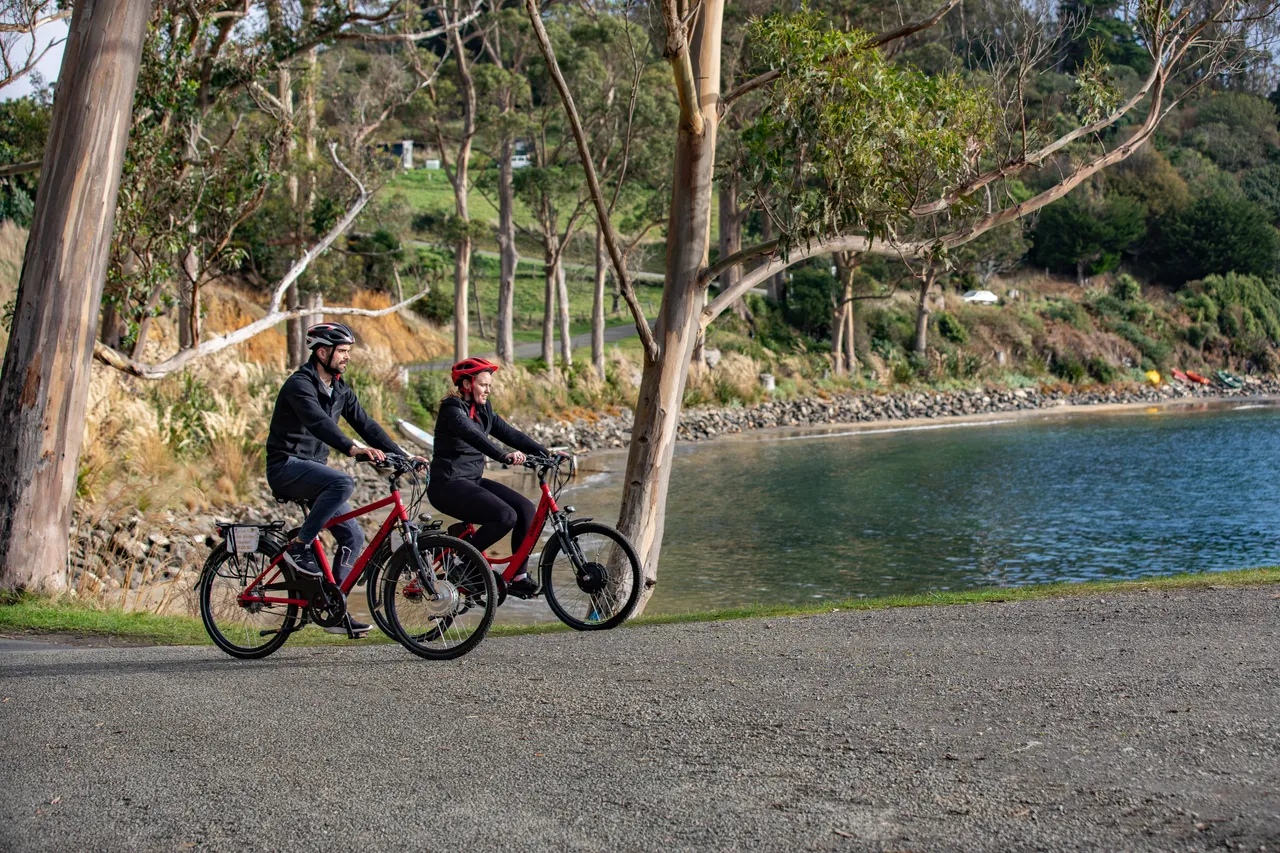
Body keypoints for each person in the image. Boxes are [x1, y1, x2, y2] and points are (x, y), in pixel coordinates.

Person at [265, 322, 424, 635]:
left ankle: (333, 609)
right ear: (322, 352)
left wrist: (404, 456)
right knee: (342, 482)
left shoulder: (339, 388)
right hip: (286, 466)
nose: (347, 357)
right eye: (342, 351)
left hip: (312, 471)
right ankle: (300, 546)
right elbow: (319, 423)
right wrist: (352, 448)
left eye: (348, 351)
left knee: (353, 536)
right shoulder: (300, 385)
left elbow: (367, 425)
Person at [427, 357, 556, 598]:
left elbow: (510, 434)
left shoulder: (483, 410)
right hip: (447, 486)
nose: (488, 389)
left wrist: (547, 454)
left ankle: (518, 576)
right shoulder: (452, 411)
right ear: (467, 384)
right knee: (505, 516)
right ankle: (461, 562)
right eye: (483, 385)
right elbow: (473, 436)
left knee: (525, 509)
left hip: (472, 481)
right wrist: (502, 455)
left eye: (489, 385)